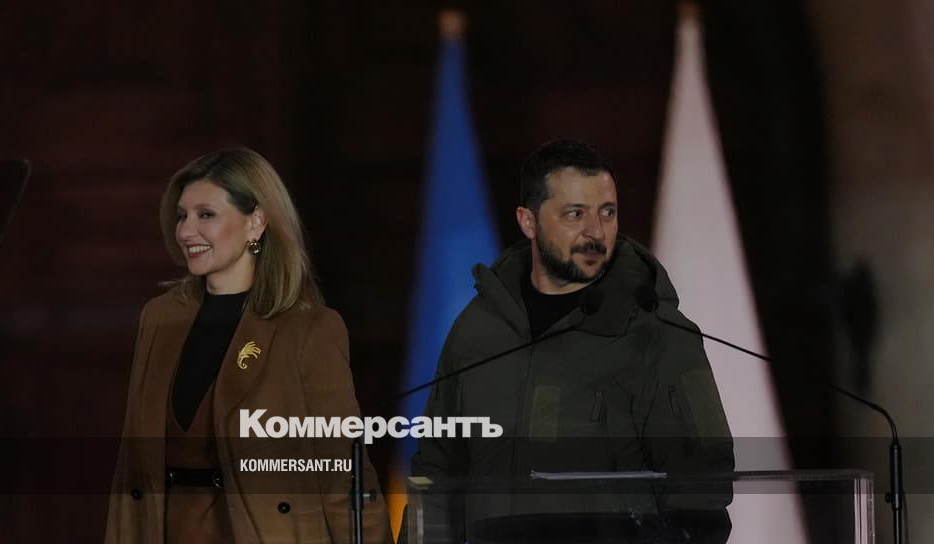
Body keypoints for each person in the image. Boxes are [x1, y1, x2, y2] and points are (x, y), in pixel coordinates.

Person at [410, 139, 734, 542]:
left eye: (607, 212)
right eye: (575, 214)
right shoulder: (477, 329)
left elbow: (702, 498)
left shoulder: (657, 334)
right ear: (528, 222)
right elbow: (436, 471)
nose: (595, 232)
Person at [106, 148, 392, 543]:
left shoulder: (309, 329)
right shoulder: (158, 319)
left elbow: (342, 471)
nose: (186, 231)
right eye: (182, 216)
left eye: (206, 214)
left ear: (255, 222)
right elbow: (130, 471)